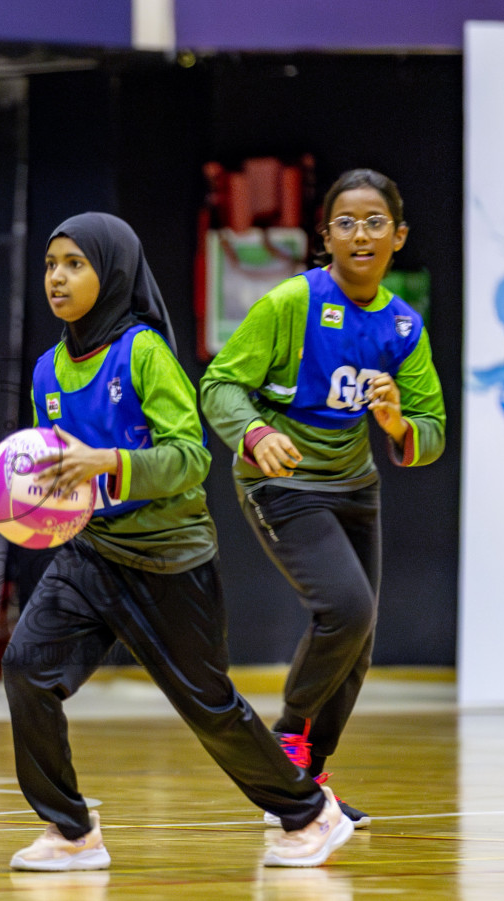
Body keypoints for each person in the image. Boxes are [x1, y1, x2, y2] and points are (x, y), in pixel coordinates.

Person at [0, 212, 352, 872]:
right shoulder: (46, 371)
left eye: (74, 264)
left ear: (113, 271)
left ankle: (309, 813)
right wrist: (12, 481)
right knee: (26, 670)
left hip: (170, 560)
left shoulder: (143, 353)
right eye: (49, 264)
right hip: (91, 554)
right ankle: (71, 831)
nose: (57, 278)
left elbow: (190, 456)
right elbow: (59, 473)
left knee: (208, 707)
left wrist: (111, 462)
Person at [199, 169, 446, 827]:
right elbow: (220, 384)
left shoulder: (401, 326)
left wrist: (397, 427)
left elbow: (433, 432)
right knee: (345, 606)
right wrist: (253, 434)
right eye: (346, 222)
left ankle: (306, 778)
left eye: (374, 222)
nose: (359, 234)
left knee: (358, 639)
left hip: (354, 485)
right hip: (279, 481)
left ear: (398, 236)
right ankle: (286, 737)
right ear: (325, 235)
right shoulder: (290, 304)